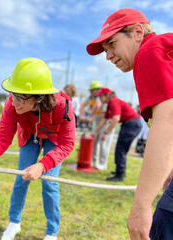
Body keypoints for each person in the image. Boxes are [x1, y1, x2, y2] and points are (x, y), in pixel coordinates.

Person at [0, 58, 76, 240]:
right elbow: (2, 138)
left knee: (49, 183)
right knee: (21, 179)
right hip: (30, 136)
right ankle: (14, 222)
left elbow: (67, 144)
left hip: (54, 139)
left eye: (21, 98)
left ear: (40, 97)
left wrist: (43, 165)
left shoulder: (63, 106)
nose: (14, 102)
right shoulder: (12, 104)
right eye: (13, 95)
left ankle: (52, 232)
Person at [86, 8, 173, 240]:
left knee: (164, 221)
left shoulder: (150, 51)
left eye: (112, 44)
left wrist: (142, 204)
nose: (108, 56)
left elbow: (169, 119)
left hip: (130, 125)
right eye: (105, 50)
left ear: (136, 32)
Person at [92, 88, 142, 179]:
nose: (99, 99)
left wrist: (106, 133)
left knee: (121, 149)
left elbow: (115, 118)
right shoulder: (109, 104)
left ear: (107, 95)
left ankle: (120, 175)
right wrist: (95, 132)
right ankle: (120, 171)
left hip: (131, 123)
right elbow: (104, 119)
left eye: (100, 96)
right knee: (121, 149)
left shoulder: (113, 101)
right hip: (131, 123)